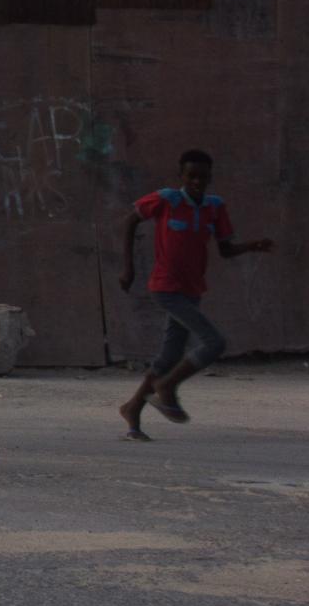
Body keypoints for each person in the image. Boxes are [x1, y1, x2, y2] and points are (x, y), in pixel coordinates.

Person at [117, 149, 273, 441]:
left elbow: (225, 249)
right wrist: (129, 268)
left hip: (191, 289)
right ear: (182, 176)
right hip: (165, 287)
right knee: (214, 342)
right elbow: (129, 221)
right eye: (192, 176)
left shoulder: (214, 207)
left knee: (170, 355)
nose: (197, 182)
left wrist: (252, 246)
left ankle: (133, 408)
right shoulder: (167, 199)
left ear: (210, 177)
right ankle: (167, 388)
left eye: (203, 177)